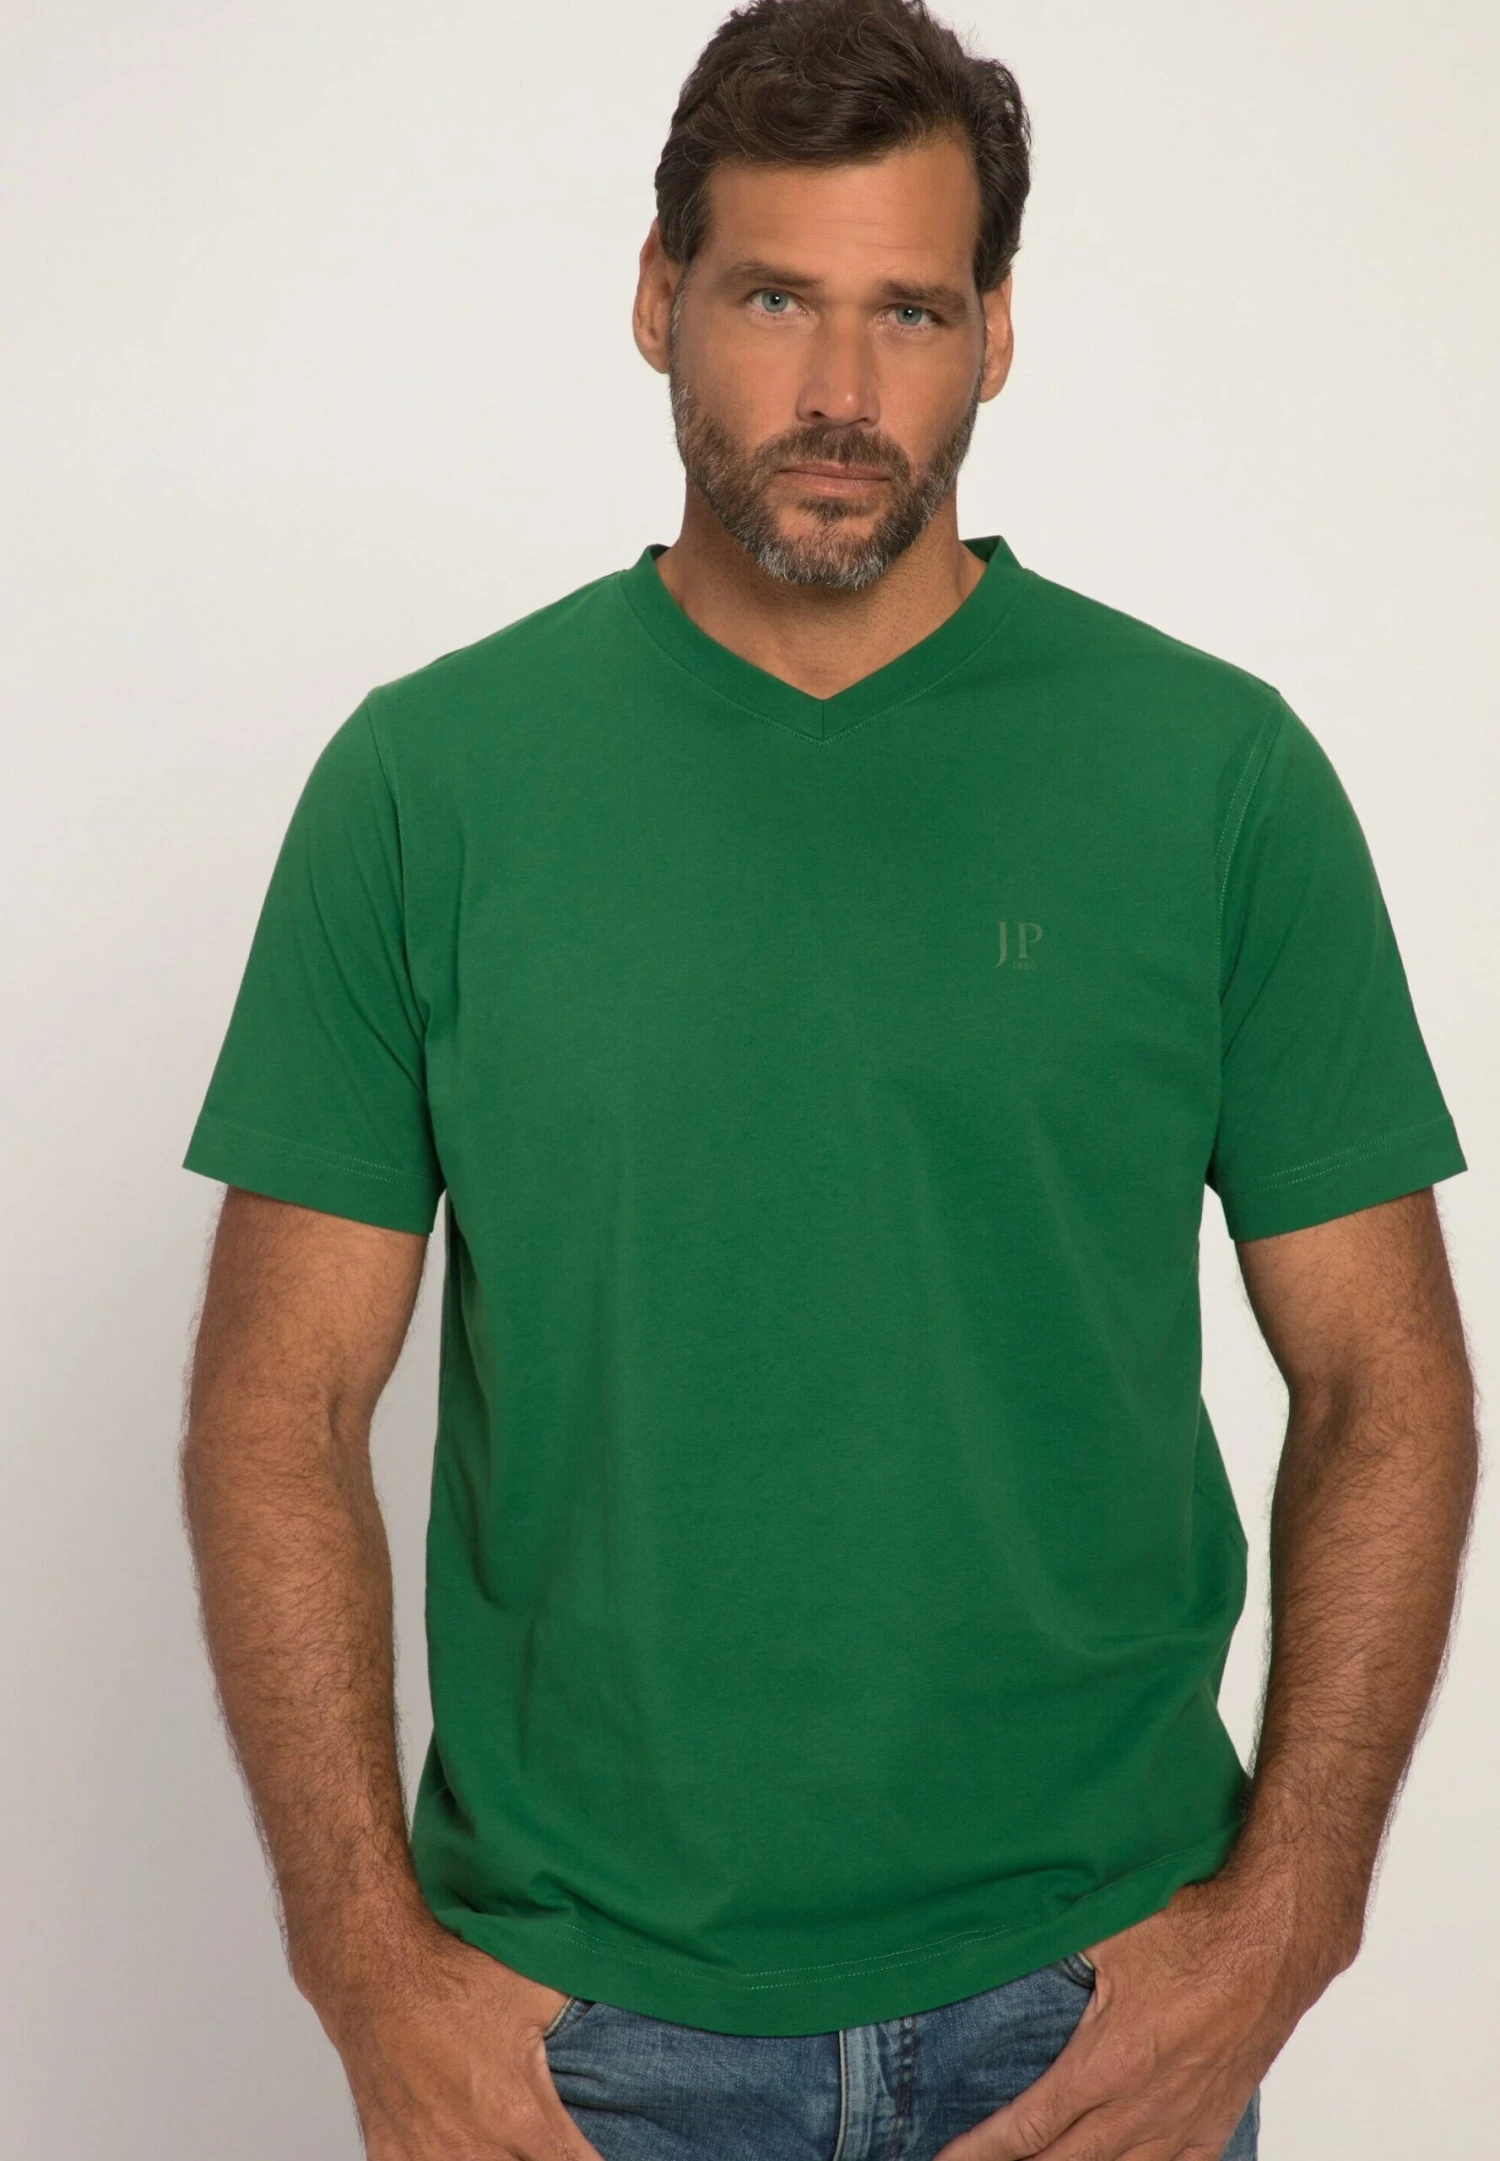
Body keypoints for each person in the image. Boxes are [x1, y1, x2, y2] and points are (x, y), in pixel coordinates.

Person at [179, 2, 1476, 2156]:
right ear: (658, 299)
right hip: (584, 2040)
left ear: (996, 335)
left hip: (1093, 2017)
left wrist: (1288, 1928)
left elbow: (1387, 1385)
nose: (844, 392)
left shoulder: (1215, 779)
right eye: (777, 298)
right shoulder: (431, 786)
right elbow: (275, 1406)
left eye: (913, 312)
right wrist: (363, 1966)